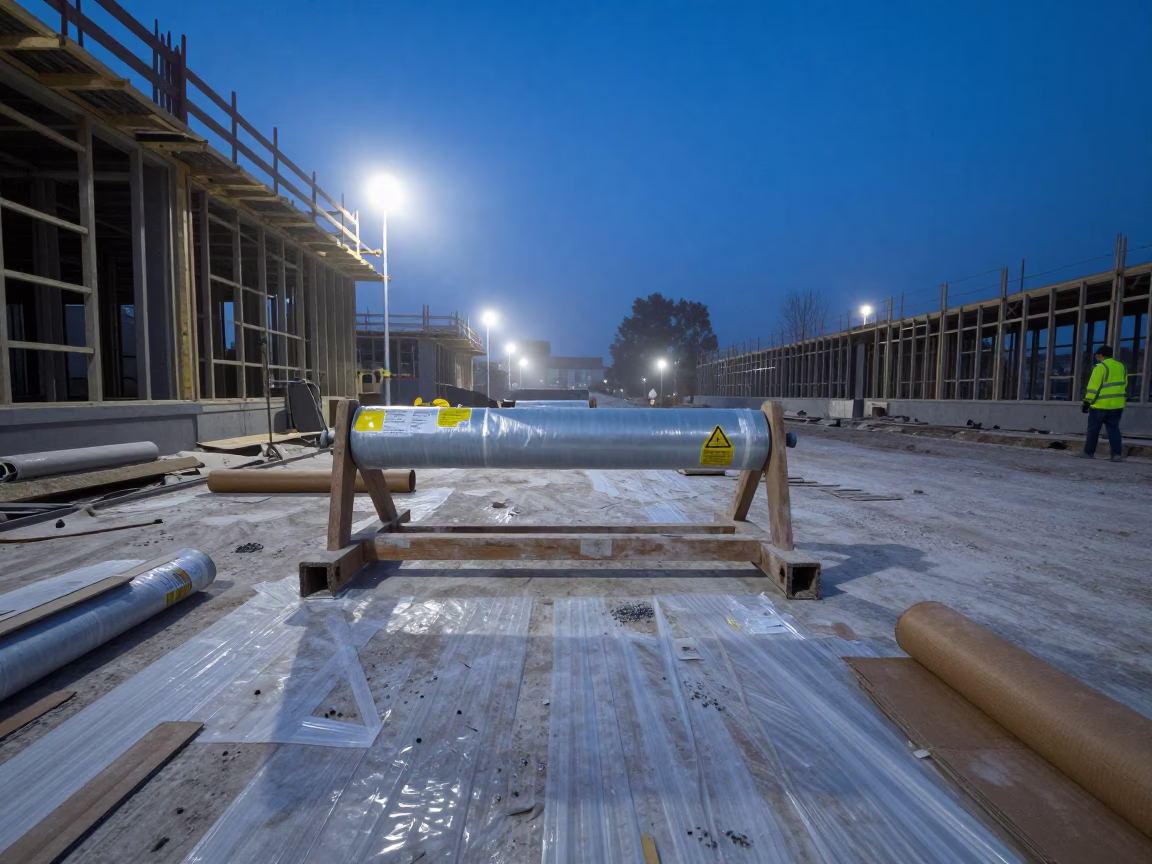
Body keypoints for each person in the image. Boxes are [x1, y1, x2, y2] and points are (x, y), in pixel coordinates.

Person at [1075, 344, 1127, 462]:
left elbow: (1093, 387)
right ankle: (1116, 454)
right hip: (1117, 405)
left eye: (1097, 355)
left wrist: (1086, 402)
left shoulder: (1100, 367)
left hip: (1100, 405)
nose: (1096, 357)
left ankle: (1088, 452)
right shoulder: (1121, 367)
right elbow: (1125, 385)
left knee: (1093, 429)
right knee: (1114, 429)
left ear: (1100, 355)